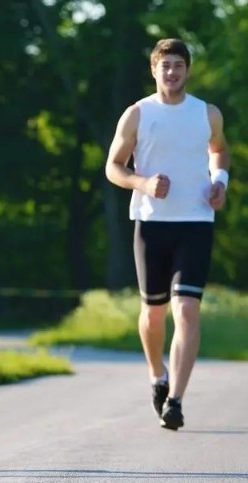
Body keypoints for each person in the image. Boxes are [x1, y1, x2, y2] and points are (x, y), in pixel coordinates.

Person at [105, 38, 230, 431]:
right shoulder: (137, 114)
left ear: (187, 69)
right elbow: (113, 166)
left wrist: (219, 181)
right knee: (153, 313)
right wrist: (142, 183)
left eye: (178, 65)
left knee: (187, 309)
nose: (172, 72)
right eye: (165, 65)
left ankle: (175, 399)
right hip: (151, 223)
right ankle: (156, 374)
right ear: (154, 70)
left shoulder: (206, 113)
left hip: (195, 223)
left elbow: (219, 150)